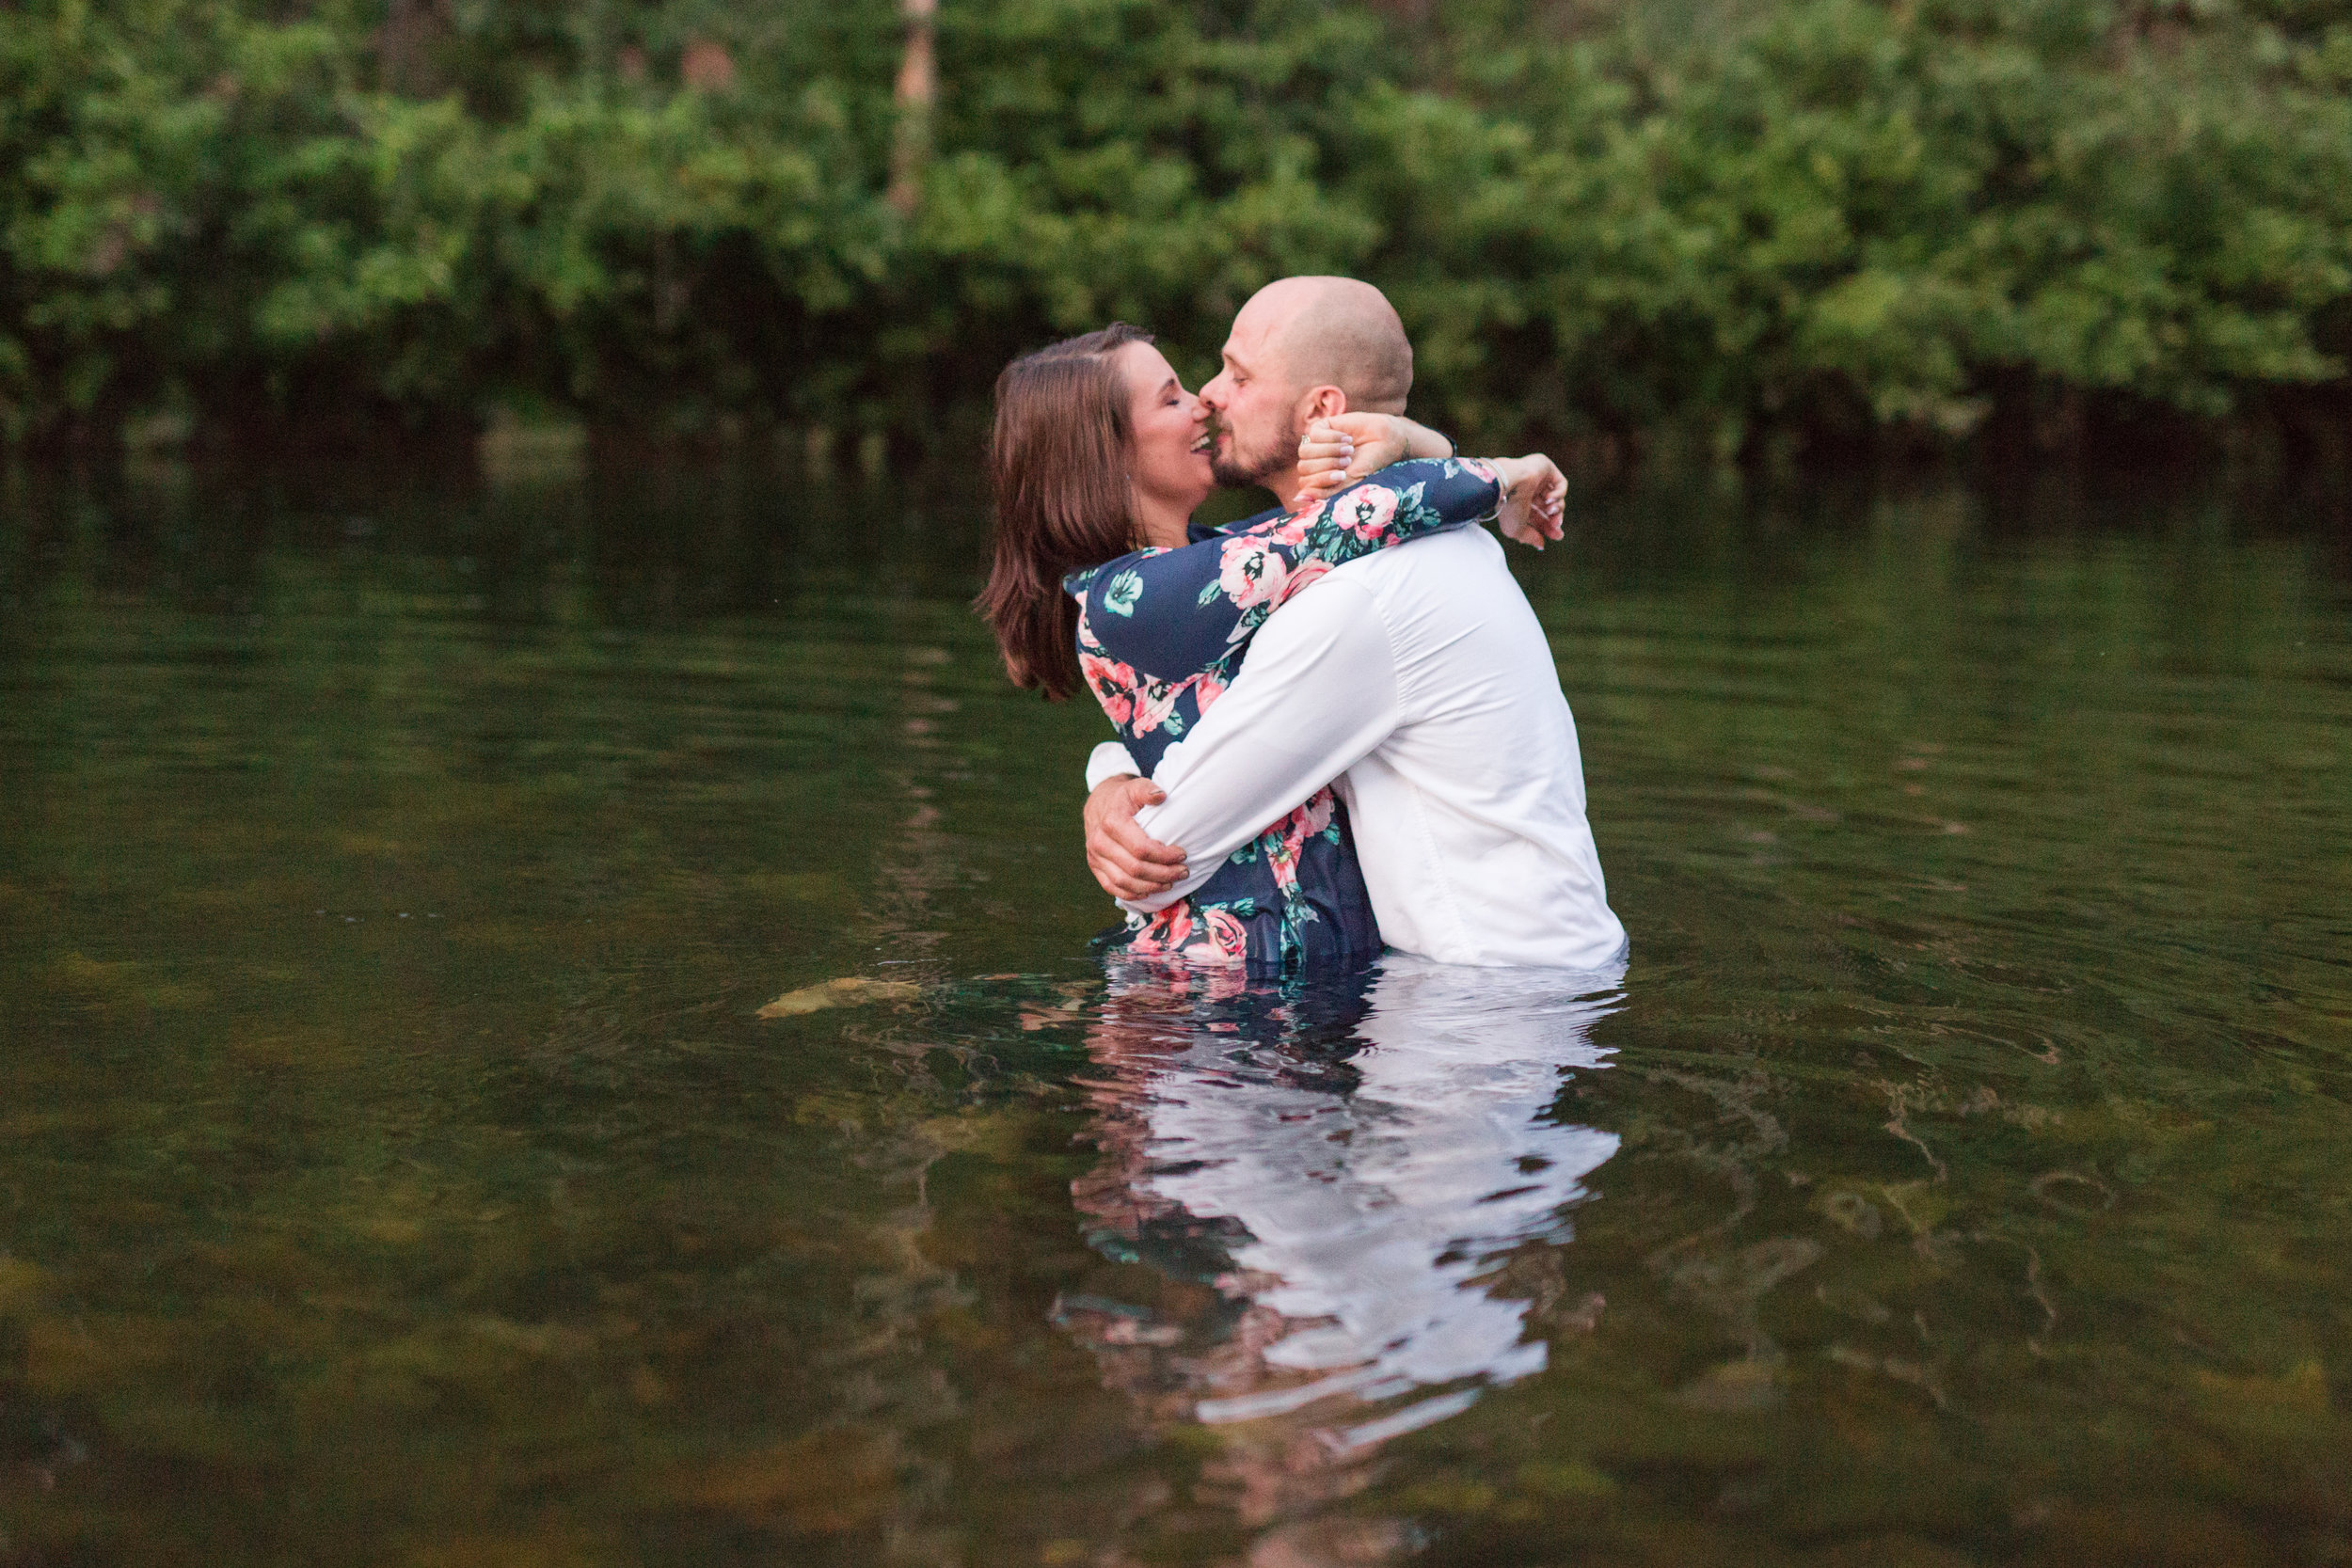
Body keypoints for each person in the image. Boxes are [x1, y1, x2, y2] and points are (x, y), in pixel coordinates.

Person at [977, 322, 1567, 975]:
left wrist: (1109, 771)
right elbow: (1359, 515)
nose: (1201, 403)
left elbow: (1353, 507)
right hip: (1221, 982)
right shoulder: (1129, 595)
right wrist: (1512, 474)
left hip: (1304, 971)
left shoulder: (1214, 560)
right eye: (1171, 399)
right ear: (1108, 454)